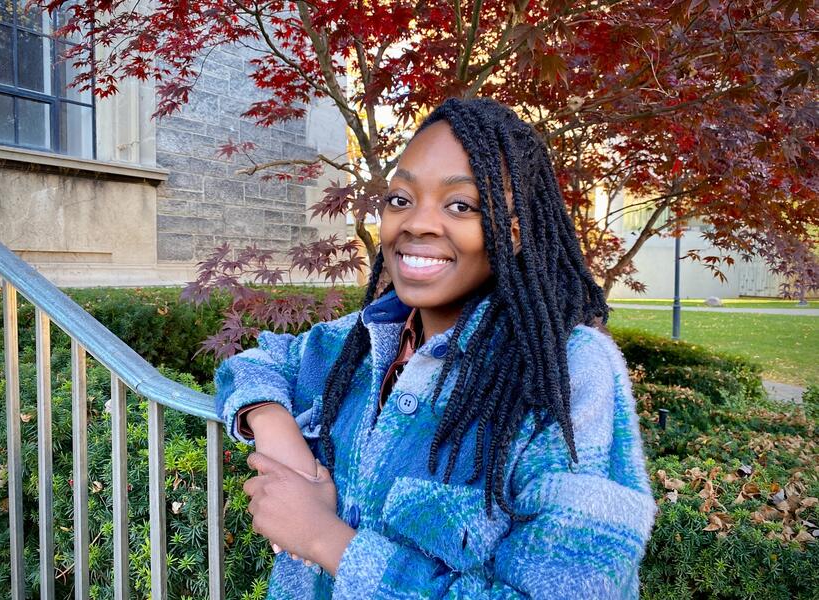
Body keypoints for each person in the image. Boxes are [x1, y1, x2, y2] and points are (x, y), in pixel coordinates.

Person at [215, 97, 657, 599]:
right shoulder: (364, 340)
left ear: (513, 234)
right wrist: (275, 428)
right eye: (401, 199)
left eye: (460, 205)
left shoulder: (567, 372)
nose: (416, 223)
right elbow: (255, 361)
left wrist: (325, 538)